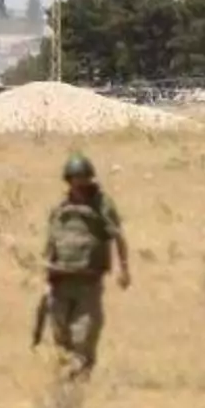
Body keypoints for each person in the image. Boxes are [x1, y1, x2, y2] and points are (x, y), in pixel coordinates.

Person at [41, 155, 130, 383]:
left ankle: (78, 382)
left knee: (84, 335)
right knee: (60, 336)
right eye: (73, 178)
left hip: (88, 282)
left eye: (81, 178)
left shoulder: (102, 205)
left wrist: (124, 269)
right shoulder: (61, 208)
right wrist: (45, 274)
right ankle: (65, 378)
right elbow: (51, 243)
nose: (77, 183)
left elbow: (118, 237)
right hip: (60, 280)